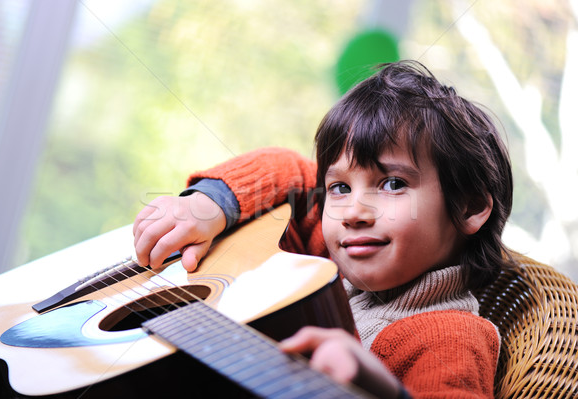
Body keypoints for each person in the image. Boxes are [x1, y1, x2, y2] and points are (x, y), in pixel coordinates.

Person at [133, 60, 514, 398]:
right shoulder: (332, 257)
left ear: (470, 206)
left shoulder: (451, 338)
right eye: (341, 188)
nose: (354, 213)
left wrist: (375, 383)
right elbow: (291, 169)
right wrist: (207, 204)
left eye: (393, 184)